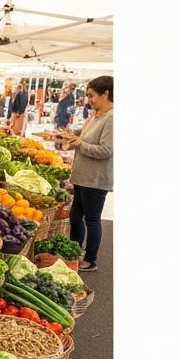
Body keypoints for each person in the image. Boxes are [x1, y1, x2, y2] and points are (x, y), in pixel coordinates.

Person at [57, 75, 113, 273]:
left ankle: (90, 259)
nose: (88, 100)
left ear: (106, 93)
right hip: (82, 177)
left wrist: (80, 143)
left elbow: (106, 150)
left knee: (92, 219)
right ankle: (74, 253)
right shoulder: (96, 115)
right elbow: (86, 139)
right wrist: (73, 137)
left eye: (91, 96)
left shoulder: (112, 118)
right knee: (75, 217)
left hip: (95, 179)